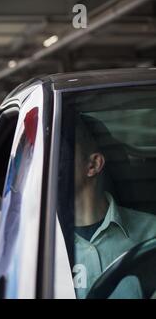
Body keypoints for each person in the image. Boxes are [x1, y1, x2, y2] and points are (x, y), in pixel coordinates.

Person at [73, 115, 156, 299]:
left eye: (60, 152)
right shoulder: (37, 243)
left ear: (93, 164)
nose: (50, 161)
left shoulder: (152, 234)